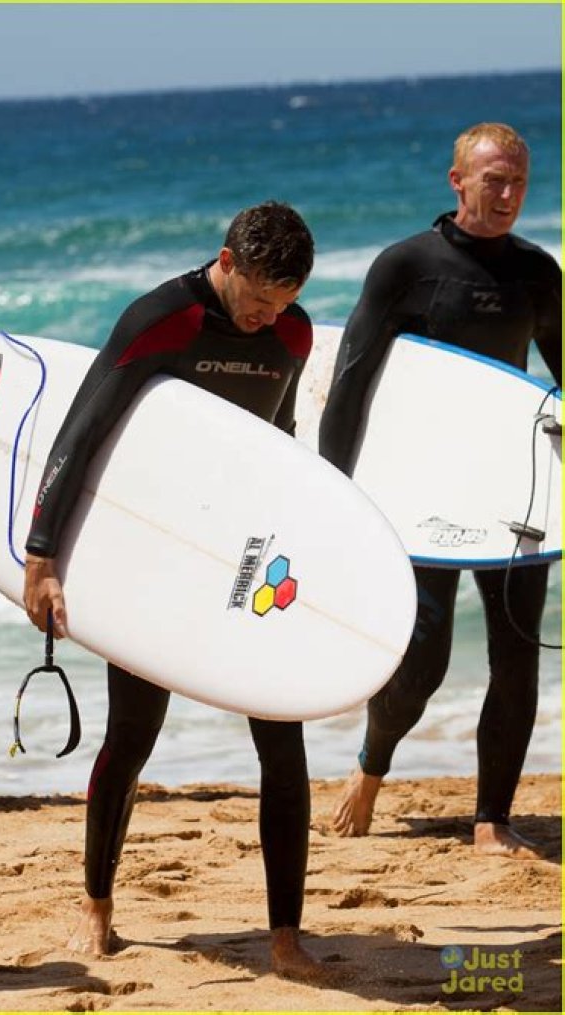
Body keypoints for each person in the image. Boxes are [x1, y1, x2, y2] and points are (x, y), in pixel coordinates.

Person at [23, 202, 326, 980]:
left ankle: (286, 937)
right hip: (152, 553)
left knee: (282, 735)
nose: (265, 319)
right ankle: (96, 905)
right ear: (226, 262)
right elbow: (80, 434)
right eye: (256, 299)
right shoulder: (161, 319)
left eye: (282, 304)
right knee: (133, 734)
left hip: (244, 556)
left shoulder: (292, 335)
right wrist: (42, 555)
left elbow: (279, 445)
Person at [319, 123, 561, 860]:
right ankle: (372, 764)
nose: (509, 194)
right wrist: (334, 490)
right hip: (420, 486)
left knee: (517, 654)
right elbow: (351, 382)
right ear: (457, 182)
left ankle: (493, 818)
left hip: (511, 485)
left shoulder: (538, 273)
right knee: (423, 659)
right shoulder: (406, 267)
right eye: (494, 180)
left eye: (518, 181)